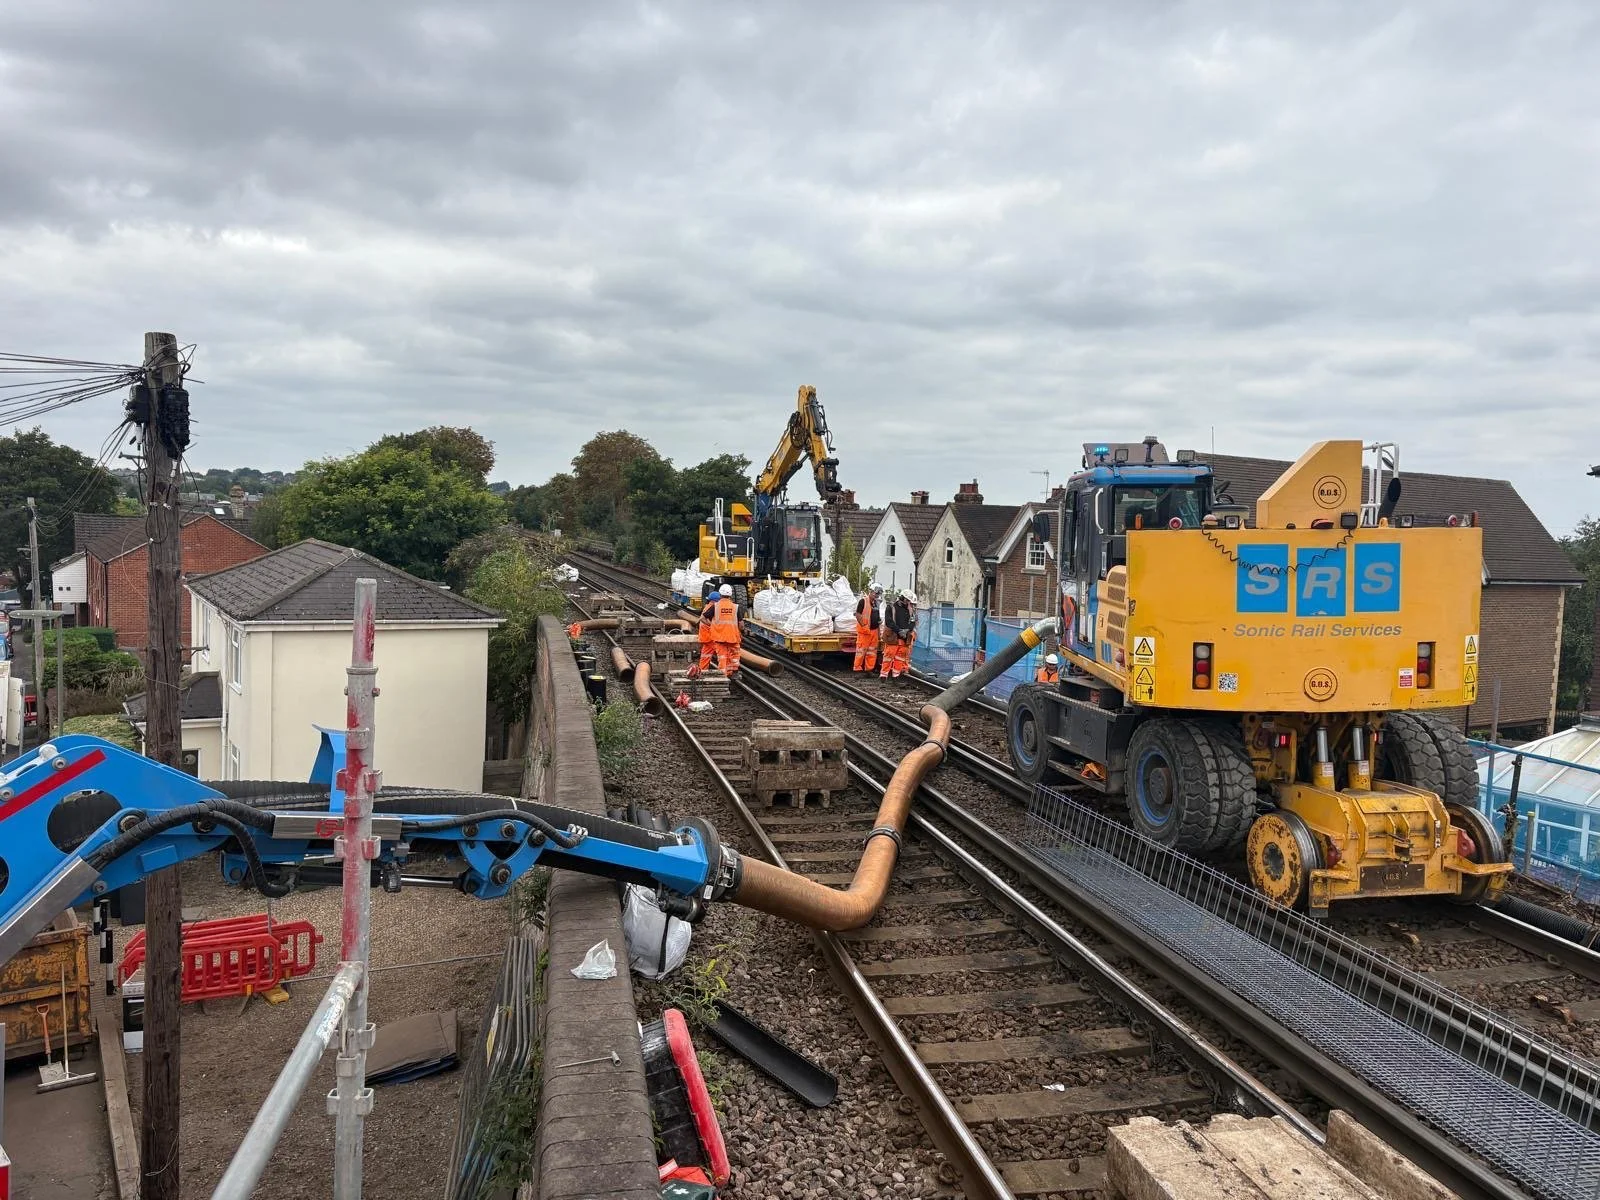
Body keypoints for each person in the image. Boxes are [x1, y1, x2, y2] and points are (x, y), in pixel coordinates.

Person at [693, 583, 741, 677]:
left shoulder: (710, 607)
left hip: (707, 637)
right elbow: (739, 624)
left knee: (707, 656)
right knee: (726, 656)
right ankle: (728, 673)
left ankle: (703, 671)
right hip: (716, 637)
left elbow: (702, 618)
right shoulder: (729, 607)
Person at [880, 591, 915, 679]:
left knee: (899, 659)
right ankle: (883, 676)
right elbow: (889, 622)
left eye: (909, 601)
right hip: (893, 637)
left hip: (904, 639)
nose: (908, 602)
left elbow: (912, 622)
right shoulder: (891, 607)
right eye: (907, 600)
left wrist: (907, 630)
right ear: (902, 597)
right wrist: (899, 631)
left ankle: (895, 676)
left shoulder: (910, 609)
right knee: (888, 656)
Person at [853, 584, 883, 672]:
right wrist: (864, 625)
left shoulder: (877, 603)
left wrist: (879, 624)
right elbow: (858, 615)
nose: (876, 595)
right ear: (871, 591)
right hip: (864, 631)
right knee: (861, 651)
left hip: (874, 631)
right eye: (876, 593)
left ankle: (869, 669)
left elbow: (876, 616)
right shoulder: (863, 601)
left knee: (872, 652)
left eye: (878, 594)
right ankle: (857, 668)